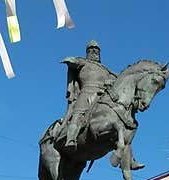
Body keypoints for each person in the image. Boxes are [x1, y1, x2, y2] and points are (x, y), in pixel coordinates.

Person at [59, 40, 144, 169]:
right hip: (87, 93)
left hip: (104, 96)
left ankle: (129, 159)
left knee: (122, 120)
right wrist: (71, 60)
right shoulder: (83, 63)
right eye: (91, 50)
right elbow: (73, 62)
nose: (95, 52)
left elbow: (120, 81)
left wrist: (112, 81)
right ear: (87, 52)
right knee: (78, 113)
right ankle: (71, 139)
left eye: (97, 50)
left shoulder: (106, 69)